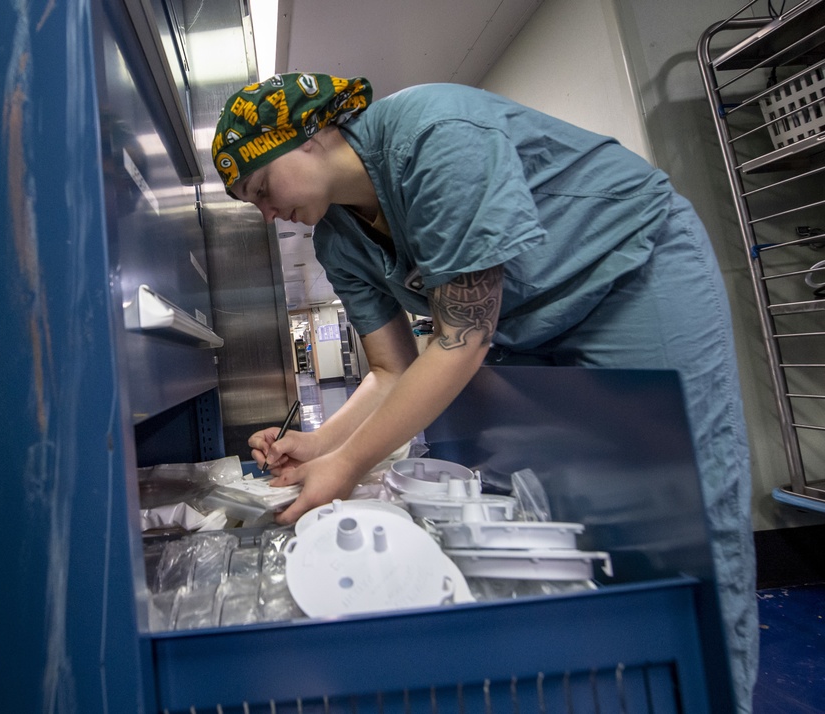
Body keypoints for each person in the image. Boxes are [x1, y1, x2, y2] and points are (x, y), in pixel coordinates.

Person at [212, 72, 756, 712]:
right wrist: (320, 444)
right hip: (526, 325)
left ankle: (724, 699)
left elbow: (461, 339)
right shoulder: (338, 239)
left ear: (305, 136)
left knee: (684, 497)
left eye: (261, 189)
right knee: (563, 509)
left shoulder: (435, 135)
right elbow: (392, 369)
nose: (268, 213)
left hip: (628, 273)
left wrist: (350, 463)